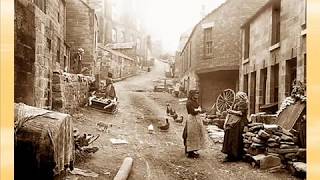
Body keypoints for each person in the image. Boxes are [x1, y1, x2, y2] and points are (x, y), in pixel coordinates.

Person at [222, 91, 249, 162]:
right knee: (228, 131)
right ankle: (229, 153)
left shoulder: (243, 103)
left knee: (234, 136)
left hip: (240, 122)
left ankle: (234, 155)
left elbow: (240, 113)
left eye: (237, 96)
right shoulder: (237, 103)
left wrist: (231, 111)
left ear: (241, 97)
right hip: (235, 120)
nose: (236, 98)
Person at [182, 90, 205, 158]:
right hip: (191, 119)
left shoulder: (195, 101)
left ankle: (193, 150)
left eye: (197, 94)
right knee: (190, 135)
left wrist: (199, 110)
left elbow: (199, 109)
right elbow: (192, 112)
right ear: (192, 95)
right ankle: (189, 152)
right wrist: (198, 110)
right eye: (195, 94)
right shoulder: (189, 102)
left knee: (196, 135)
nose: (197, 95)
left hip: (196, 119)